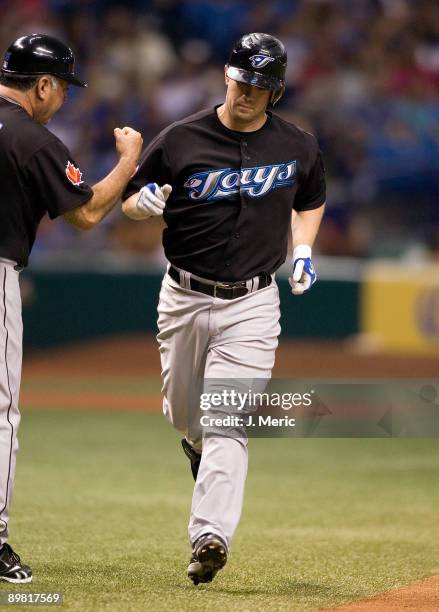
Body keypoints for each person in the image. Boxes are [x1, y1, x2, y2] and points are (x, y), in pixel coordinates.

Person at [122, 32, 325, 585]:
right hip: (184, 296)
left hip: (254, 303)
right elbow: (130, 197)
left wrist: (303, 249)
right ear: (225, 76)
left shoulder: (298, 145)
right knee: (187, 415)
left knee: (227, 420)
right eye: (240, 80)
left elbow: (310, 198)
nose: (246, 93)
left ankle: (209, 535)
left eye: (259, 86)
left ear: (275, 91)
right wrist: (141, 205)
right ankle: (194, 444)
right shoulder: (181, 139)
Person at [0, 34, 142, 583]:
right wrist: (128, 161)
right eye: (60, 89)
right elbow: (85, 215)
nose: (62, 99)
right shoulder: (31, 138)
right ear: (41, 85)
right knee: (3, 413)